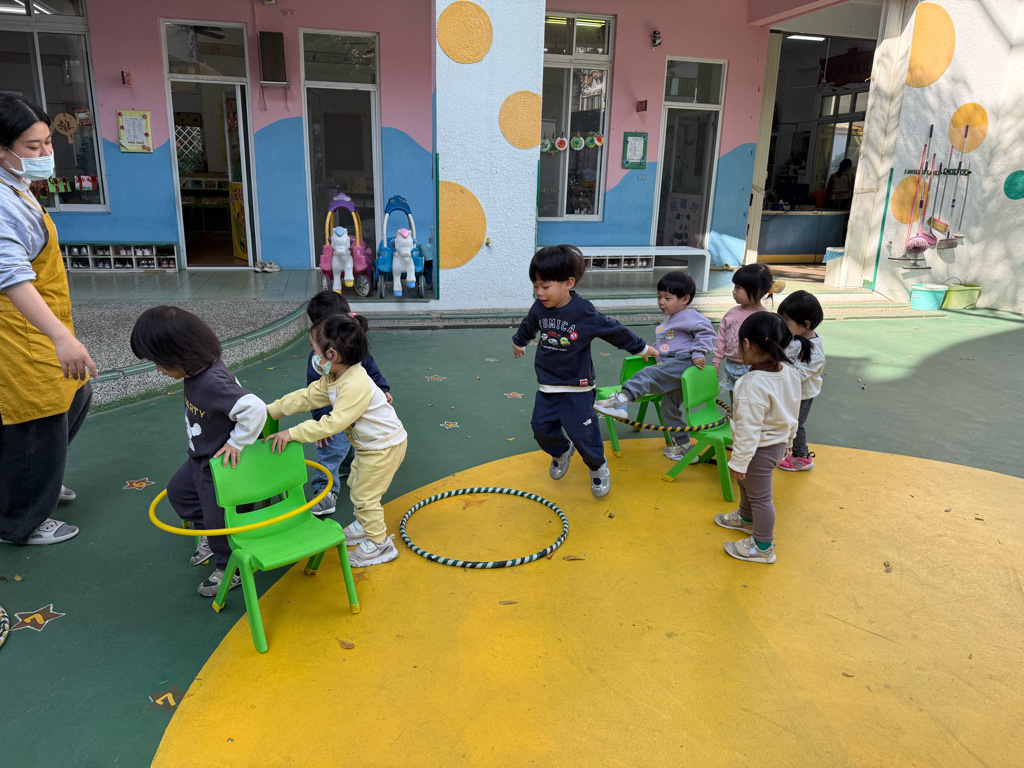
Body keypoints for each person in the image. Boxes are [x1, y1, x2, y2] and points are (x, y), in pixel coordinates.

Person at [0, 95, 97, 546]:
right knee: (36, 419)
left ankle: (38, 481)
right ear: (3, 150)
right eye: (32, 146)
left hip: (40, 323)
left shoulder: (15, 184)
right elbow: (12, 277)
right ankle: (19, 520)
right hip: (21, 330)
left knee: (76, 393)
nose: (44, 153)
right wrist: (60, 336)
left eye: (46, 143)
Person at [130, 306, 267, 595]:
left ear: (179, 353)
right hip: (200, 457)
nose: (157, 369)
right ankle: (208, 531)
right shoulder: (197, 373)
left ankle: (230, 567)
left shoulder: (211, 381)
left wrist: (237, 442)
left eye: (158, 362)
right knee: (178, 492)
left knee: (221, 522)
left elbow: (255, 408)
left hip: (220, 466)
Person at [512, 245, 657, 498]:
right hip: (548, 385)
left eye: (545, 286)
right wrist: (519, 341)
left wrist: (641, 347)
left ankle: (597, 466)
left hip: (578, 388)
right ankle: (561, 450)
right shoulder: (539, 307)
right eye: (535, 286)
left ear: (568, 283)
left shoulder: (584, 312)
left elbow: (614, 330)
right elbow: (529, 324)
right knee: (540, 428)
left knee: (584, 435)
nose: (539, 292)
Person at [264, 314, 407, 568]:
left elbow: (333, 423)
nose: (313, 357)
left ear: (332, 355)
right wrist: (270, 410)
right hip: (369, 446)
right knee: (356, 482)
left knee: (365, 496)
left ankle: (380, 544)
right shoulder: (335, 377)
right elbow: (307, 397)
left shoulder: (355, 383)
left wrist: (292, 433)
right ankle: (364, 525)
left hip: (385, 446)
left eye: (314, 351)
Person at [593, 271, 715, 461]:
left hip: (682, 362)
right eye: (659, 297)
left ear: (685, 299)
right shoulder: (670, 321)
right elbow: (667, 345)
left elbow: (707, 333)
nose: (661, 302)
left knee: (647, 375)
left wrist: (699, 352)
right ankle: (684, 447)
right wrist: (649, 350)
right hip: (673, 364)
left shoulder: (690, 316)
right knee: (669, 409)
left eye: (667, 298)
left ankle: (622, 400)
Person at [713, 312, 800, 564]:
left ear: (746, 344)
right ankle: (746, 518)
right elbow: (793, 410)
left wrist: (739, 461)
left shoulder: (750, 384)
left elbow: (748, 429)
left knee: (761, 498)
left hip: (759, 449)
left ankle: (762, 546)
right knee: (747, 486)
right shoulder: (789, 373)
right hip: (776, 443)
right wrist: (789, 441)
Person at [303, 290, 392, 517]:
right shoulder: (320, 360)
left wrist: (383, 389)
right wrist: (322, 420)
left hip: (359, 411)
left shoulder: (354, 345)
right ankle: (325, 492)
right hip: (333, 414)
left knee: (356, 439)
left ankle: (347, 465)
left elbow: (372, 369)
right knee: (331, 446)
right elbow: (314, 392)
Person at [712, 263, 783, 404]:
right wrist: (716, 360)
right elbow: (721, 338)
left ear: (756, 292)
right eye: (734, 287)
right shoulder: (732, 313)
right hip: (730, 366)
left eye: (738, 288)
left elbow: (771, 345)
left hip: (753, 369)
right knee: (735, 401)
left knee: (751, 402)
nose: (733, 292)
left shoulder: (765, 318)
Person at [777, 290, 825, 472]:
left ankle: (802, 457)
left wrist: (775, 366)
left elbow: (797, 375)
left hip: (802, 395)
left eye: (786, 321)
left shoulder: (815, 352)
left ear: (806, 324)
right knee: (784, 421)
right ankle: (784, 449)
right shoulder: (795, 336)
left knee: (796, 425)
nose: (783, 324)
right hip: (787, 391)